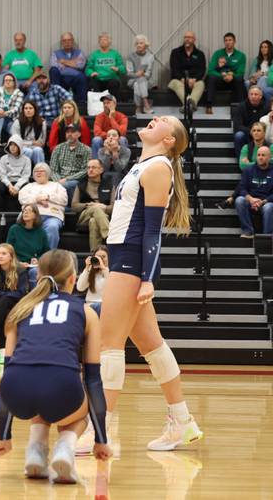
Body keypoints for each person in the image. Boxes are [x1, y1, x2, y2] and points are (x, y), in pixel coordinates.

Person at [98, 114, 203, 453]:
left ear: (169, 140)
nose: (155, 118)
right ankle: (182, 420)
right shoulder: (142, 165)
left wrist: (147, 278)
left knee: (108, 345)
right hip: (123, 256)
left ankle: (101, 431)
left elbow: (153, 231)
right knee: (152, 346)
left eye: (164, 120)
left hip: (131, 261)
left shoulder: (158, 167)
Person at [0, 249, 111, 484]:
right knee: (74, 410)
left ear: (38, 276)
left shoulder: (20, 309)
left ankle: (36, 450)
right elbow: (93, 380)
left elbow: (8, 372)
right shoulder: (86, 311)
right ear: (72, 279)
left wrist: (4, 435)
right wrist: (101, 439)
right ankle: (65, 448)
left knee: (38, 392)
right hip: (61, 387)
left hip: (16, 391)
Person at [18, 163, 67, 249]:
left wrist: (48, 197)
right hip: (30, 215)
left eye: (41, 171)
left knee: (52, 227)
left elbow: (64, 200)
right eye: (36, 171)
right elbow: (22, 199)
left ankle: (48, 255)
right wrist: (36, 199)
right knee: (21, 225)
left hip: (52, 215)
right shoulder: (28, 186)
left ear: (48, 173)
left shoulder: (57, 185)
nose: (38, 173)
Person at [72, 159, 114, 251]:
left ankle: (95, 253)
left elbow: (114, 207)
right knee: (95, 208)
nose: (90, 170)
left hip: (103, 216)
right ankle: (109, 235)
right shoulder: (81, 185)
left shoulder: (109, 185)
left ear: (101, 170)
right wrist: (88, 205)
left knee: (93, 221)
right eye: (88, 167)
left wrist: (104, 207)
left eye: (94, 167)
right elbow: (74, 206)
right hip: (84, 216)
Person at [6, 204, 50, 286]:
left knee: (35, 272)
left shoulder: (41, 232)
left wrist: (38, 260)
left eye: (29, 211)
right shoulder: (14, 229)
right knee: (18, 270)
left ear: (35, 215)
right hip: (16, 263)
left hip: (33, 265)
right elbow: (8, 250)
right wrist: (18, 263)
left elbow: (47, 253)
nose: (25, 213)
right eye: (24, 211)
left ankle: (36, 294)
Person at [234, 145, 273, 238]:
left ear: (269, 157)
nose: (260, 157)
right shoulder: (248, 170)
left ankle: (267, 236)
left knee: (269, 207)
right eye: (258, 155)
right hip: (251, 201)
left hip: (266, 201)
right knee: (239, 200)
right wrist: (251, 199)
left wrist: (263, 201)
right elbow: (242, 188)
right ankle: (248, 231)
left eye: (263, 155)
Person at [205, 32, 247, 114]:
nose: (228, 42)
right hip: (220, 80)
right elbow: (210, 70)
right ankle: (209, 105)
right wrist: (222, 75)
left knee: (240, 78)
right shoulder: (217, 53)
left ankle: (241, 107)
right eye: (226, 40)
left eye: (230, 40)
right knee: (210, 77)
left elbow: (241, 72)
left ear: (234, 41)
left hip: (233, 81)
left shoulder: (241, 55)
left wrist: (232, 75)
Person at [49, 123, 91, 201]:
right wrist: (58, 181)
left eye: (73, 132)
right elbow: (53, 169)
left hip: (76, 180)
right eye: (67, 132)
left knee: (68, 185)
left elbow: (85, 171)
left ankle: (69, 204)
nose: (69, 134)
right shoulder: (58, 148)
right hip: (59, 179)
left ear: (79, 134)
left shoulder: (86, 150)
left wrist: (67, 179)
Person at [168, 31, 207, 113]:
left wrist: (194, 79)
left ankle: (188, 105)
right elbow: (174, 69)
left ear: (194, 39)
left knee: (201, 84)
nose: (187, 39)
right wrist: (183, 79)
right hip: (179, 80)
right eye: (185, 37)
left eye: (189, 37)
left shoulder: (200, 54)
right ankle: (190, 105)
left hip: (194, 81)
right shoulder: (175, 52)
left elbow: (202, 70)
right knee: (175, 83)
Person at [0, 136, 32, 212]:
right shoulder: (3, 158)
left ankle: (24, 212)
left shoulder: (27, 160)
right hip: (7, 182)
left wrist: (17, 187)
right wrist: (9, 185)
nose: (12, 147)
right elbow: (2, 175)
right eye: (11, 145)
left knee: (26, 188)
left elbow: (26, 176)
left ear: (19, 146)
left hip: (20, 182)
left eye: (15, 145)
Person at [49, 32, 88, 103]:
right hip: (61, 78)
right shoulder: (55, 53)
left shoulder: (79, 52)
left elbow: (81, 65)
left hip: (76, 77)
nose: (67, 42)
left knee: (82, 77)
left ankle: (82, 103)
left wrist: (63, 61)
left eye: (69, 40)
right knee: (53, 70)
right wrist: (74, 62)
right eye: (64, 40)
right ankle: (56, 101)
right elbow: (54, 65)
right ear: (61, 42)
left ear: (72, 41)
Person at [0, 72, 23, 145]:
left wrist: (4, 113)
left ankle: (12, 142)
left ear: (14, 82)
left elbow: (16, 109)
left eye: (10, 80)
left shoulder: (19, 94)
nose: (8, 82)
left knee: (15, 134)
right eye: (6, 80)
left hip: (12, 120)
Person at [231, 86, 266, 158]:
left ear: (260, 96)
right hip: (246, 134)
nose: (253, 96)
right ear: (248, 95)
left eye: (256, 94)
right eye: (251, 94)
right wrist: (252, 131)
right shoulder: (241, 107)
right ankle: (241, 161)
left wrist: (258, 132)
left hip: (261, 134)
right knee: (239, 135)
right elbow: (237, 125)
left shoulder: (266, 107)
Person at [91, 94, 129, 158]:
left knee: (122, 139)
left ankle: (122, 163)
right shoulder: (99, 117)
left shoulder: (123, 117)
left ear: (115, 104)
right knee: (96, 140)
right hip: (104, 141)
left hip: (117, 140)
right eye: (104, 103)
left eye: (108, 103)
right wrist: (110, 136)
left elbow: (122, 133)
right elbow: (97, 133)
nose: (105, 105)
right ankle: (97, 163)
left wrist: (111, 118)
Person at [11, 100, 47, 164]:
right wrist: (32, 142)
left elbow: (41, 142)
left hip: (36, 147)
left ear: (35, 110)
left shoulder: (42, 122)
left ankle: (40, 168)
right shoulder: (17, 122)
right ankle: (23, 169)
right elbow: (16, 141)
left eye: (30, 108)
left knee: (38, 150)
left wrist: (28, 143)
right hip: (21, 148)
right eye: (26, 108)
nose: (28, 110)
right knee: (28, 151)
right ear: (23, 110)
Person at [76, 246, 108, 315]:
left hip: (105, 306)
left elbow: (112, 286)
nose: (100, 259)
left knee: (100, 306)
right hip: (90, 306)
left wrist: (103, 268)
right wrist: (87, 268)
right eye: (98, 257)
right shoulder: (90, 271)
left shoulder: (111, 272)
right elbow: (80, 288)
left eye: (103, 257)